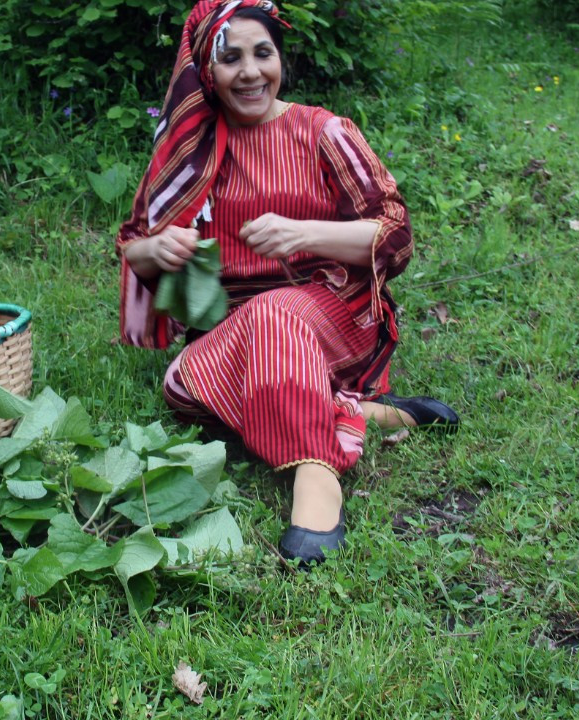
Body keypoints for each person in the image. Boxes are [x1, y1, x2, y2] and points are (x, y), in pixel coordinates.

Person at [116, 0, 459, 568]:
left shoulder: (323, 131)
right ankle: (350, 411)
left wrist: (307, 233)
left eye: (262, 53)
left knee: (276, 312)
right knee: (180, 387)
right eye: (231, 59)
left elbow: (395, 235)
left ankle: (315, 473)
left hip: (332, 316)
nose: (249, 72)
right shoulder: (189, 152)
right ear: (208, 72)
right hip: (234, 334)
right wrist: (156, 250)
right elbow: (135, 247)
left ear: (281, 58)